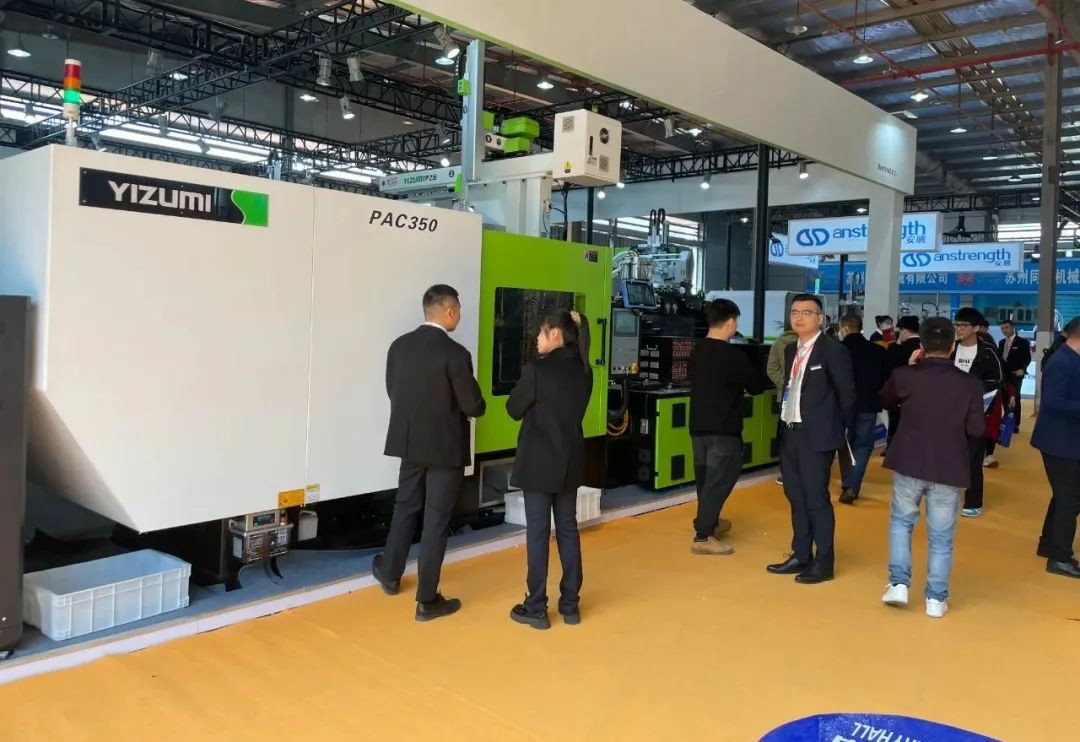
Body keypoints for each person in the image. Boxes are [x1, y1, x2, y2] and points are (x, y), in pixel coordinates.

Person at [374, 285, 486, 622]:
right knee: (436, 520)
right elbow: (473, 406)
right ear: (449, 311)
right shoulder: (455, 354)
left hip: (410, 443)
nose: (459, 316)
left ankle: (390, 574)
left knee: (405, 506)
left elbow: (393, 391)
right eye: (459, 311)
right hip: (445, 448)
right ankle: (427, 600)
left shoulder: (399, 347)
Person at [879, 318, 985, 619]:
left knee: (901, 523)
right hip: (948, 466)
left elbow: (885, 399)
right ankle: (936, 600)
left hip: (909, 461)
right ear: (952, 347)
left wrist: (909, 366)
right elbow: (977, 429)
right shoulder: (970, 384)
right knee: (941, 537)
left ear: (921, 346)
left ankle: (899, 584)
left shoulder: (904, 375)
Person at [506, 309, 593, 629]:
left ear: (555, 333)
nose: (537, 339)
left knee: (539, 531)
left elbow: (513, 408)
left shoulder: (537, 370)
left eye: (541, 333)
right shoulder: (585, 371)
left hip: (538, 463)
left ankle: (536, 606)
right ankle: (570, 605)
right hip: (570, 461)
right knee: (568, 528)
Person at [767, 294, 855, 584]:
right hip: (790, 431)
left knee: (816, 499)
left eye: (807, 312)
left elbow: (847, 394)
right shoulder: (790, 349)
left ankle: (824, 562)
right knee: (795, 496)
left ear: (820, 318)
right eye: (795, 312)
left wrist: (838, 430)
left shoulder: (833, 350)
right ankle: (800, 554)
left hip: (817, 436)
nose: (799, 317)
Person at [688, 299, 765, 555]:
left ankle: (709, 521)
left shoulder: (697, 350)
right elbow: (756, 386)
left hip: (698, 427)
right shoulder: (733, 356)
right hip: (724, 429)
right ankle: (703, 536)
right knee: (720, 480)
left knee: (706, 480)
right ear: (731, 322)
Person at [1031, 316, 1080, 580]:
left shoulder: (1071, 358)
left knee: (1064, 496)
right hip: (1059, 442)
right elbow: (1053, 402)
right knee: (1070, 499)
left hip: (1066, 440)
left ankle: (1049, 543)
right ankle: (1060, 557)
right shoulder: (1062, 361)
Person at [950, 308, 1005, 517]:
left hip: (976, 413)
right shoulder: (950, 348)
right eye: (957, 325)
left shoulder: (988, 351)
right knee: (948, 455)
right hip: (949, 413)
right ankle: (949, 496)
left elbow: (997, 380)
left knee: (973, 459)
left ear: (976, 328)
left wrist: (971, 391)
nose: (959, 329)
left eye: (963, 325)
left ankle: (973, 502)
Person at [836, 314, 888, 504]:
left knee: (843, 443)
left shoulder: (837, 350)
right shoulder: (877, 351)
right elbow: (885, 378)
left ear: (845, 328)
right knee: (863, 445)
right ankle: (852, 485)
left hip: (840, 405)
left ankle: (846, 480)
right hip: (868, 404)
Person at [767, 323, 799, 486]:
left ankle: (787, 474)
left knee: (786, 437)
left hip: (785, 398)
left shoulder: (778, 343)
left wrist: (785, 384)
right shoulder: (812, 342)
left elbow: (771, 369)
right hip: (809, 398)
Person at [884, 316, 922, 449]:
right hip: (921, 394)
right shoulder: (926, 348)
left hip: (899, 394)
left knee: (895, 424)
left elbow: (888, 371)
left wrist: (897, 343)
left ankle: (892, 448)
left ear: (904, 331)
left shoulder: (895, 349)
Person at [998, 320, 1031, 433]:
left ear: (1012, 328)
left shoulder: (1022, 342)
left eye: (1006, 328)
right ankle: (1006, 421)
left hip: (1016, 375)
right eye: (1002, 328)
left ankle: (1015, 424)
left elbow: (1027, 358)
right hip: (1003, 375)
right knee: (1004, 398)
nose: (1004, 330)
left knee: (1015, 398)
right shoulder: (1001, 342)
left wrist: (1023, 369)